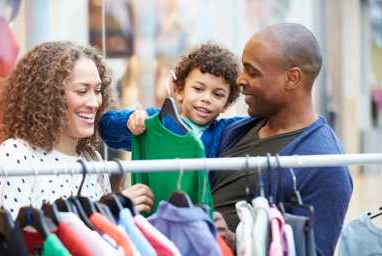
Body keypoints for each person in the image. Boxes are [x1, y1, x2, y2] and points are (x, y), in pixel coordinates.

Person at [211, 23, 353, 256]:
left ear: (292, 78)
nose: (240, 80)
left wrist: (236, 241)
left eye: (253, 72)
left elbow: (313, 252)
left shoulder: (325, 164)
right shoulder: (235, 131)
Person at [0, 41, 153, 217]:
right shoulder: (16, 154)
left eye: (97, 90)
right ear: (49, 96)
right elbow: (15, 235)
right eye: (81, 91)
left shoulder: (92, 158)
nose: (94, 103)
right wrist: (111, 207)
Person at [99, 42, 243, 158]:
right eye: (198, 89)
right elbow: (106, 127)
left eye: (217, 94)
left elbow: (259, 121)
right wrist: (131, 120)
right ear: (180, 90)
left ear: (227, 103)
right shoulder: (159, 122)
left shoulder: (225, 131)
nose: (206, 99)